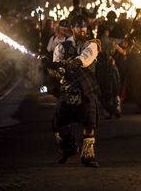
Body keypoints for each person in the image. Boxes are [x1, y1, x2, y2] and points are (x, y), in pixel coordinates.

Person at [49, 15, 101, 167]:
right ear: (73, 29)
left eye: (84, 28)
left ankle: (88, 156)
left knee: (89, 124)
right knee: (60, 123)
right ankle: (68, 148)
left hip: (86, 87)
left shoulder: (92, 45)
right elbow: (57, 67)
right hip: (67, 87)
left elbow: (84, 60)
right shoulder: (61, 47)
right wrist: (54, 69)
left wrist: (70, 63)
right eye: (78, 28)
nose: (82, 31)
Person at [95, 24, 122, 119]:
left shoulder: (96, 42)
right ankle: (115, 108)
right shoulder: (111, 41)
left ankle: (108, 110)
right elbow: (122, 51)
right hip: (110, 67)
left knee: (104, 90)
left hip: (101, 67)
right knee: (114, 88)